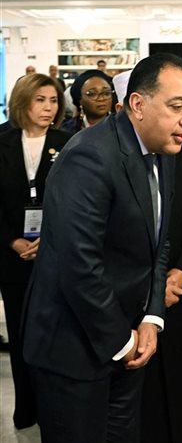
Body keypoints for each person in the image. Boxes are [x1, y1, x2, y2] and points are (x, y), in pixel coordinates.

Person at [21, 53, 182, 443]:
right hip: (74, 349)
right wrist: (124, 340)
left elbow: (159, 243)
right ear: (138, 104)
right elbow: (79, 265)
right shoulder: (89, 156)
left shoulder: (166, 151)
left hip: (128, 340)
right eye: (176, 106)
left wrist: (152, 317)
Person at [132, 72, 182, 443]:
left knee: (174, 387)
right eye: (176, 107)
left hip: (174, 291)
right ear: (137, 107)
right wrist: (154, 287)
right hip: (133, 304)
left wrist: (181, 273)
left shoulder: (176, 154)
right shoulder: (102, 161)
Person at [0, 73, 70, 430]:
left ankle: (53, 407)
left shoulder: (68, 143)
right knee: (20, 332)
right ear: (22, 102)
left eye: (53, 100)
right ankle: (25, 408)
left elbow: (75, 201)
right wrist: (13, 241)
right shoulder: (2, 142)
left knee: (55, 334)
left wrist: (51, 239)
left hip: (55, 254)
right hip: (13, 255)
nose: (48, 108)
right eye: (40, 100)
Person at [61, 69, 114, 135]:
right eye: (92, 94)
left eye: (106, 93)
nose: (101, 98)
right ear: (80, 99)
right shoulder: (67, 131)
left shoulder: (122, 128)